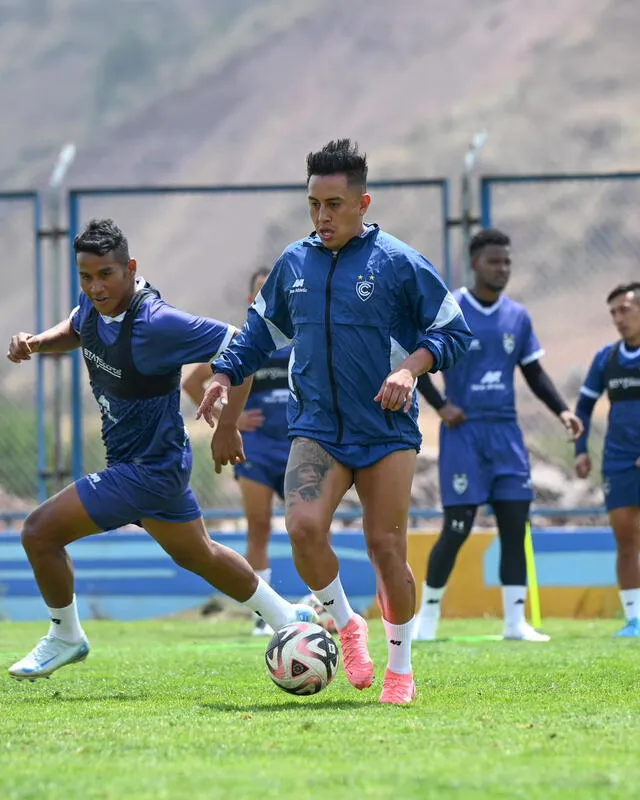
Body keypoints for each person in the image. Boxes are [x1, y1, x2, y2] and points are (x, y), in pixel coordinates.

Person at [195, 139, 472, 704]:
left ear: (363, 203)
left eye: (334, 205)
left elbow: (454, 331)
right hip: (317, 425)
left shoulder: (398, 263)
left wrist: (411, 371)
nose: (322, 216)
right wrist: (222, 377)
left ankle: (401, 668)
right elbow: (255, 336)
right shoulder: (293, 264)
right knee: (301, 527)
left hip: (385, 429)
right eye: (314, 205)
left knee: (384, 548)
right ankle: (347, 624)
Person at [5, 218, 316, 681]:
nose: (95, 287)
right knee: (200, 555)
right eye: (85, 277)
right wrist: (37, 343)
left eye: (105, 275)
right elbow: (78, 326)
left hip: (145, 471)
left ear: (130, 268)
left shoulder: (157, 323)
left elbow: (240, 343)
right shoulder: (96, 304)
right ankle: (287, 617)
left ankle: (65, 635)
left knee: (38, 532)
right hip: (157, 467)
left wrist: (229, 426)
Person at [413, 228, 583, 643]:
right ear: (475, 263)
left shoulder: (517, 317)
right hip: (464, 433)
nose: (502, 269)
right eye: (494, 261)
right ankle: (427, 619)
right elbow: (416, 360)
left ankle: (514, 623)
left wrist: (563, 410)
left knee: (514, 524)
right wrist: (440, 405)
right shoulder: (451, 308)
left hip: (506, 433)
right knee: (457, 526)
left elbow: (534, 373)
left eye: (507, 262)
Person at [182, 267, 292, 636]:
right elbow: (193, 382)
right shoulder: (245, 340)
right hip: (257, 448)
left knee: (309, 527)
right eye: (261, 294)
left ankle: (319, 605)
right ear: (251, 301)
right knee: (259, 526)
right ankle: (264, 615)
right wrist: (232, 419)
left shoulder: (305, 336)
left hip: (300, 444)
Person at [574, 282, 640, 637]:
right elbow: (584, 406)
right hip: (618, 460)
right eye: (613, 312)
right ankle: (635, 620)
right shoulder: (607, 358)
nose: (618, 318)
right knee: (626, 539)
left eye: (625, 310)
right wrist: (581, 449)